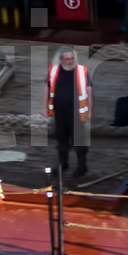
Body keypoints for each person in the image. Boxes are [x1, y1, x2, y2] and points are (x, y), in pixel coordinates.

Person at [49, 48, 92, 180]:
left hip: (77, 112)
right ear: (61, 60)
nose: (70, 62)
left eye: (72, 59)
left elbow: (89, 91)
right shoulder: (54, 70)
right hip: (60, 111)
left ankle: (82, 166)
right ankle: (63, 163)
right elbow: (48, 87)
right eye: (67, 59)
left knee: (78, 140)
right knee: (61, 138)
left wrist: (90, 110)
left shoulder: (82, 71)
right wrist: (44, 107)